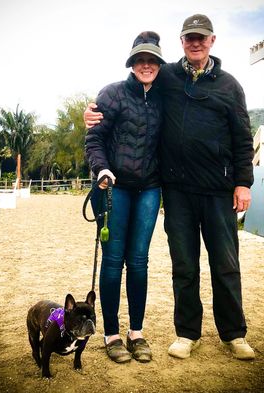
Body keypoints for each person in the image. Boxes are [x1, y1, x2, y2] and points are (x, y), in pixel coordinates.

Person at [84, 14, 256, 361]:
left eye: (201, 37)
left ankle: (234, 335)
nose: (196, 42)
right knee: (184, 265)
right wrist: (90, 114)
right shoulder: (168, 77)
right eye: (189, 37)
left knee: (225, 264)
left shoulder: (229, 85)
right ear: (181, 42)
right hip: (176, 190)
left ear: (212, 41)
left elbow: (242, 138)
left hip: (218, 190)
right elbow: (119, 102)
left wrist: (243, 183)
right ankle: (187, 333)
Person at [85, 31, 166, 363]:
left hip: (149, 190)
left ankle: (136, 332)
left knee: (139, 262)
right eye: (140, 60)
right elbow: (94, 138)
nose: (146, 65)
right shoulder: (112, 94)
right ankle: (112, 334)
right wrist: (102, 169)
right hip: (112, 189)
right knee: (113, 262)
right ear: (132, 63)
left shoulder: (167, 96)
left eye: (152, 60)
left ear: (159, 64)